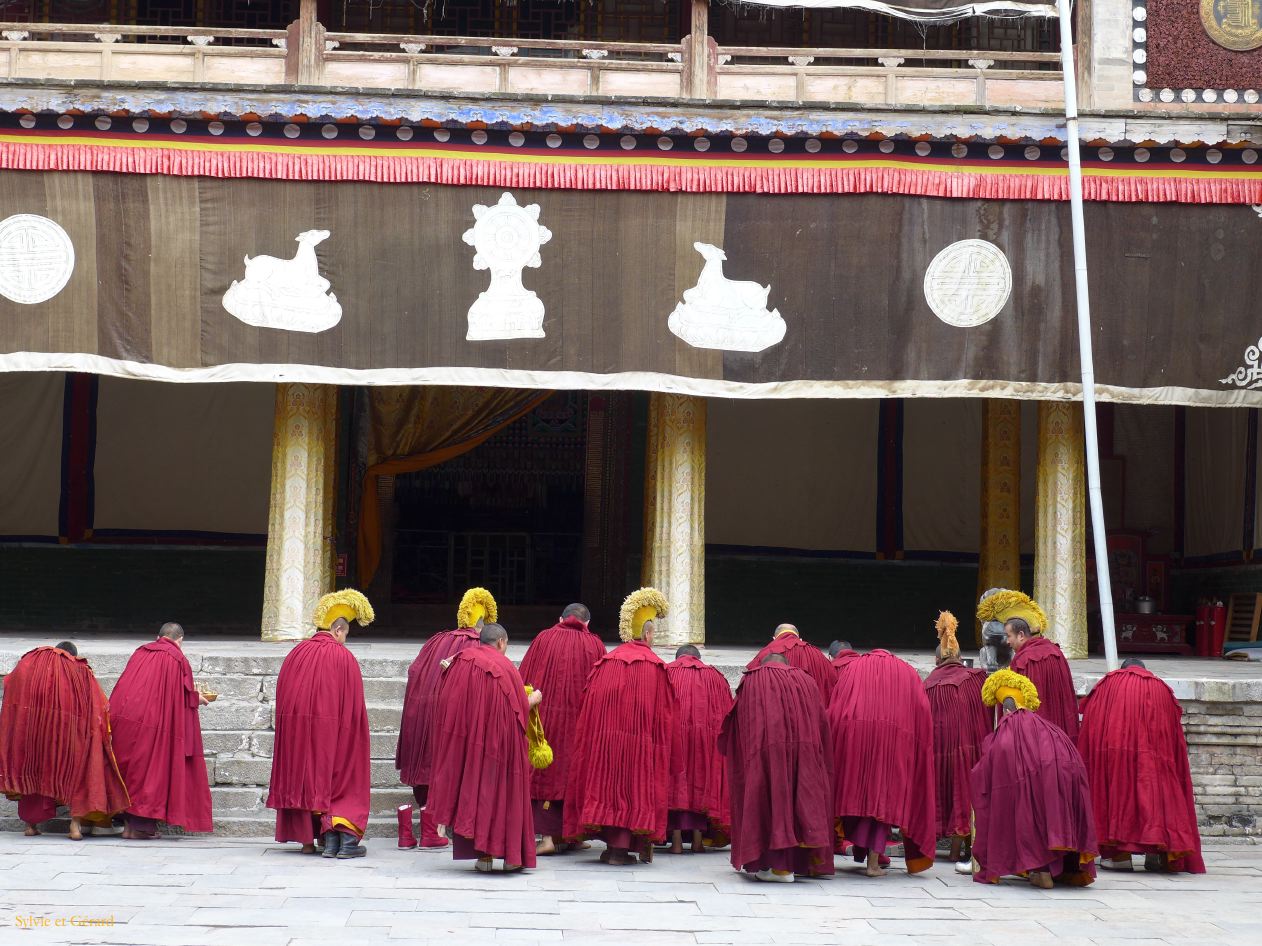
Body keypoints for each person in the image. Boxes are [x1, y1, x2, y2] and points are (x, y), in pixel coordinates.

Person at [563, 588, 677, 866]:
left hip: (605, 744)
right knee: (632, 789)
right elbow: (665, 718)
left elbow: (587, 710)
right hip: (639, 745)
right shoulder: (656, 667)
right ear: (647, 634)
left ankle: (613, 848)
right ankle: (620, 851)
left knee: (608, 787)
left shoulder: (605, 663)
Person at [428, 622, 543, 873]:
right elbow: (518, 710)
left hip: (468, 743)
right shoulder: (506, 667)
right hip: (500, 745)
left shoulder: (459, 661)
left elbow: (446, 702)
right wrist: (533, 700)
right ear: (501, 642)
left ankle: (484, 859)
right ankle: (512, 858)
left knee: (476, 793)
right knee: (502, 795)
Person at [267, 589, 374, 859]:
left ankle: (308, 841)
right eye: (345, 635)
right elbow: (353, 709)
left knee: (303, 775)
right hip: (330, 732)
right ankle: (341, 839)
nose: (344, 640)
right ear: (338, 630)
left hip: (296, 732)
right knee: (340, 773)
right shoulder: (342, 657)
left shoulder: (296, 653)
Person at [970, 669, 1097, 888]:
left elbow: (990, 771)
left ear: (1005, 709)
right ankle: (1060, 868)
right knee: (1048, 811)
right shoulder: (1049, 728)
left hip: (1038, 774)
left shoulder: (1009, 727)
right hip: (1067, 771)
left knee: (1027, 808)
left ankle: (1041, 870)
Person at [1078, 658, 1205, 874]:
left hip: (1115, 753)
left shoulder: (1107, 684)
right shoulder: (1162, 688)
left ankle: (1119, 856)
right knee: (1155, 797)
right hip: (1155, 755)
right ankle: (1156, 853)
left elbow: (1092, 722)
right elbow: (1174, 730)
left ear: (1122, 669)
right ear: (1146, 670)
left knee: (1119, 796)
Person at [396, 586, 496, 849]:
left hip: (424, 714)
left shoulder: (436, 641)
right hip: (452, 718)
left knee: (430, 765)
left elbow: (415, 671)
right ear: (483, 626)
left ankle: (411, 834)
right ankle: (435, 831)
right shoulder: (477, 646)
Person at [719, 654, 834, 883]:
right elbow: (821, 721)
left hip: (766, 751)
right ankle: (794, 865)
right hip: (805, 752)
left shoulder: (752, 680)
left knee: (770, 802)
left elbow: (741, 723)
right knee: (798, 801)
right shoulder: (807, 681)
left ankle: (777, 867)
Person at [0, 641, 129, 840]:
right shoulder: (79, 669)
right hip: (67, 735)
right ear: (72, 655)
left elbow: (9, 684)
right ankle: (75, 827)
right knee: (75, 776)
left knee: (32, 770)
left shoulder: (30, 663)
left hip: (33, 732)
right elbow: (97, 704)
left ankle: (30, 825)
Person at [828, 649, 935, 877]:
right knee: (882, 798)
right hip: (894, 739)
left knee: (857, 793)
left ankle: (861, 850)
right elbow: (922, 710)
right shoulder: (907, 672)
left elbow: (836, 706)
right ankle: (873, 863)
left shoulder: (853, 669)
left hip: (855, 736)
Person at [108, 623, 213, 839]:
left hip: (126, 717)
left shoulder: (141, 652)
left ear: (158, 637)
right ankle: (138, 829)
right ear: (180, 640)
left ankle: (127, 825)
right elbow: (182, 695)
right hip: (154, 722)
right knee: (149, 771)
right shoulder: (177, 658)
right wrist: (198, 698)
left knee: (129, 770)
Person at [517, 602, 606, 856]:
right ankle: (571, 835)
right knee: (573, 773)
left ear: (560, 619)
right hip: (579, 723)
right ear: (587, 623)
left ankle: (548, 838)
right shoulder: (595, 644)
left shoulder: (544, 638)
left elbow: (523, 677)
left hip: (545, 718)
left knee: (547, 773)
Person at [923, 612, 989, 864]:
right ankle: (960, 849)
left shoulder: (928, 685)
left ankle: (941, 847)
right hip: (971, 750)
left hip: (940, 753)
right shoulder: (977, 679)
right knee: (966, 792)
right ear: (961, 659)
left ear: (936, 660)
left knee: (944, 791)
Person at [977, 590, 1079, 741]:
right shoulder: (1056, 652)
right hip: (1059, 735)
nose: (1007, 641)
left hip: (1036, 737)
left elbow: (1017, 706)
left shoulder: (1024, 660)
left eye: (1009, 636)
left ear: (1021, 635)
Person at [665, 644, 733, 855]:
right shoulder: (716, 678)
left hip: (675, 739)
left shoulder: (667, 672)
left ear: (677, 657)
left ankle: (676, 840)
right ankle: (697, 839)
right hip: (705, 741)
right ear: (699, 658)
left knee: (676, 784)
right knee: (700, 782)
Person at [746, 624, 835, 706]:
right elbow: (832, 682)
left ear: (774, 638)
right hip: (810, 711)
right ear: (800, 639)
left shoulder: (764, 655)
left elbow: (752, 684)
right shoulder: (817, 654)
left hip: (777, 711)